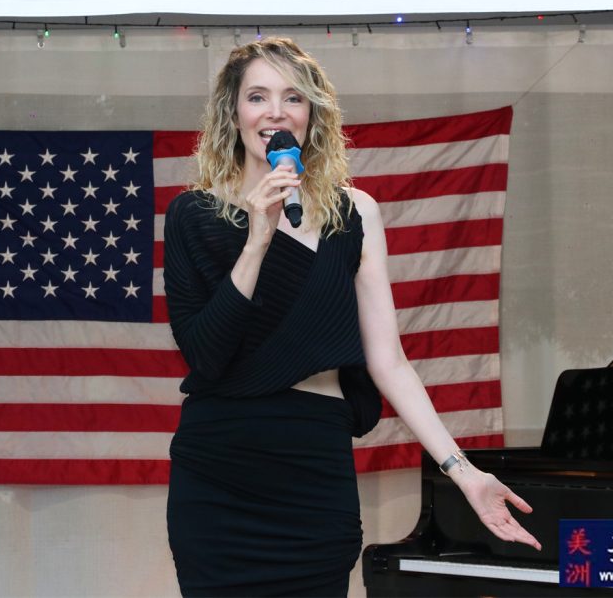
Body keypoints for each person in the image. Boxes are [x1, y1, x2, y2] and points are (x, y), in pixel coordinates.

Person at [163, 36, 539, 597]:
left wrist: (463, 471)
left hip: (313, 463)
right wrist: (258, 238)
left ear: (311, 114)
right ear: (233, 113)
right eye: (257, 97)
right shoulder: (192, 214)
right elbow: (205, 354)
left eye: (292, 97)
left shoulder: (354, 212)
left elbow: (390, 362)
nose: (275, 112)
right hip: (219, 470)